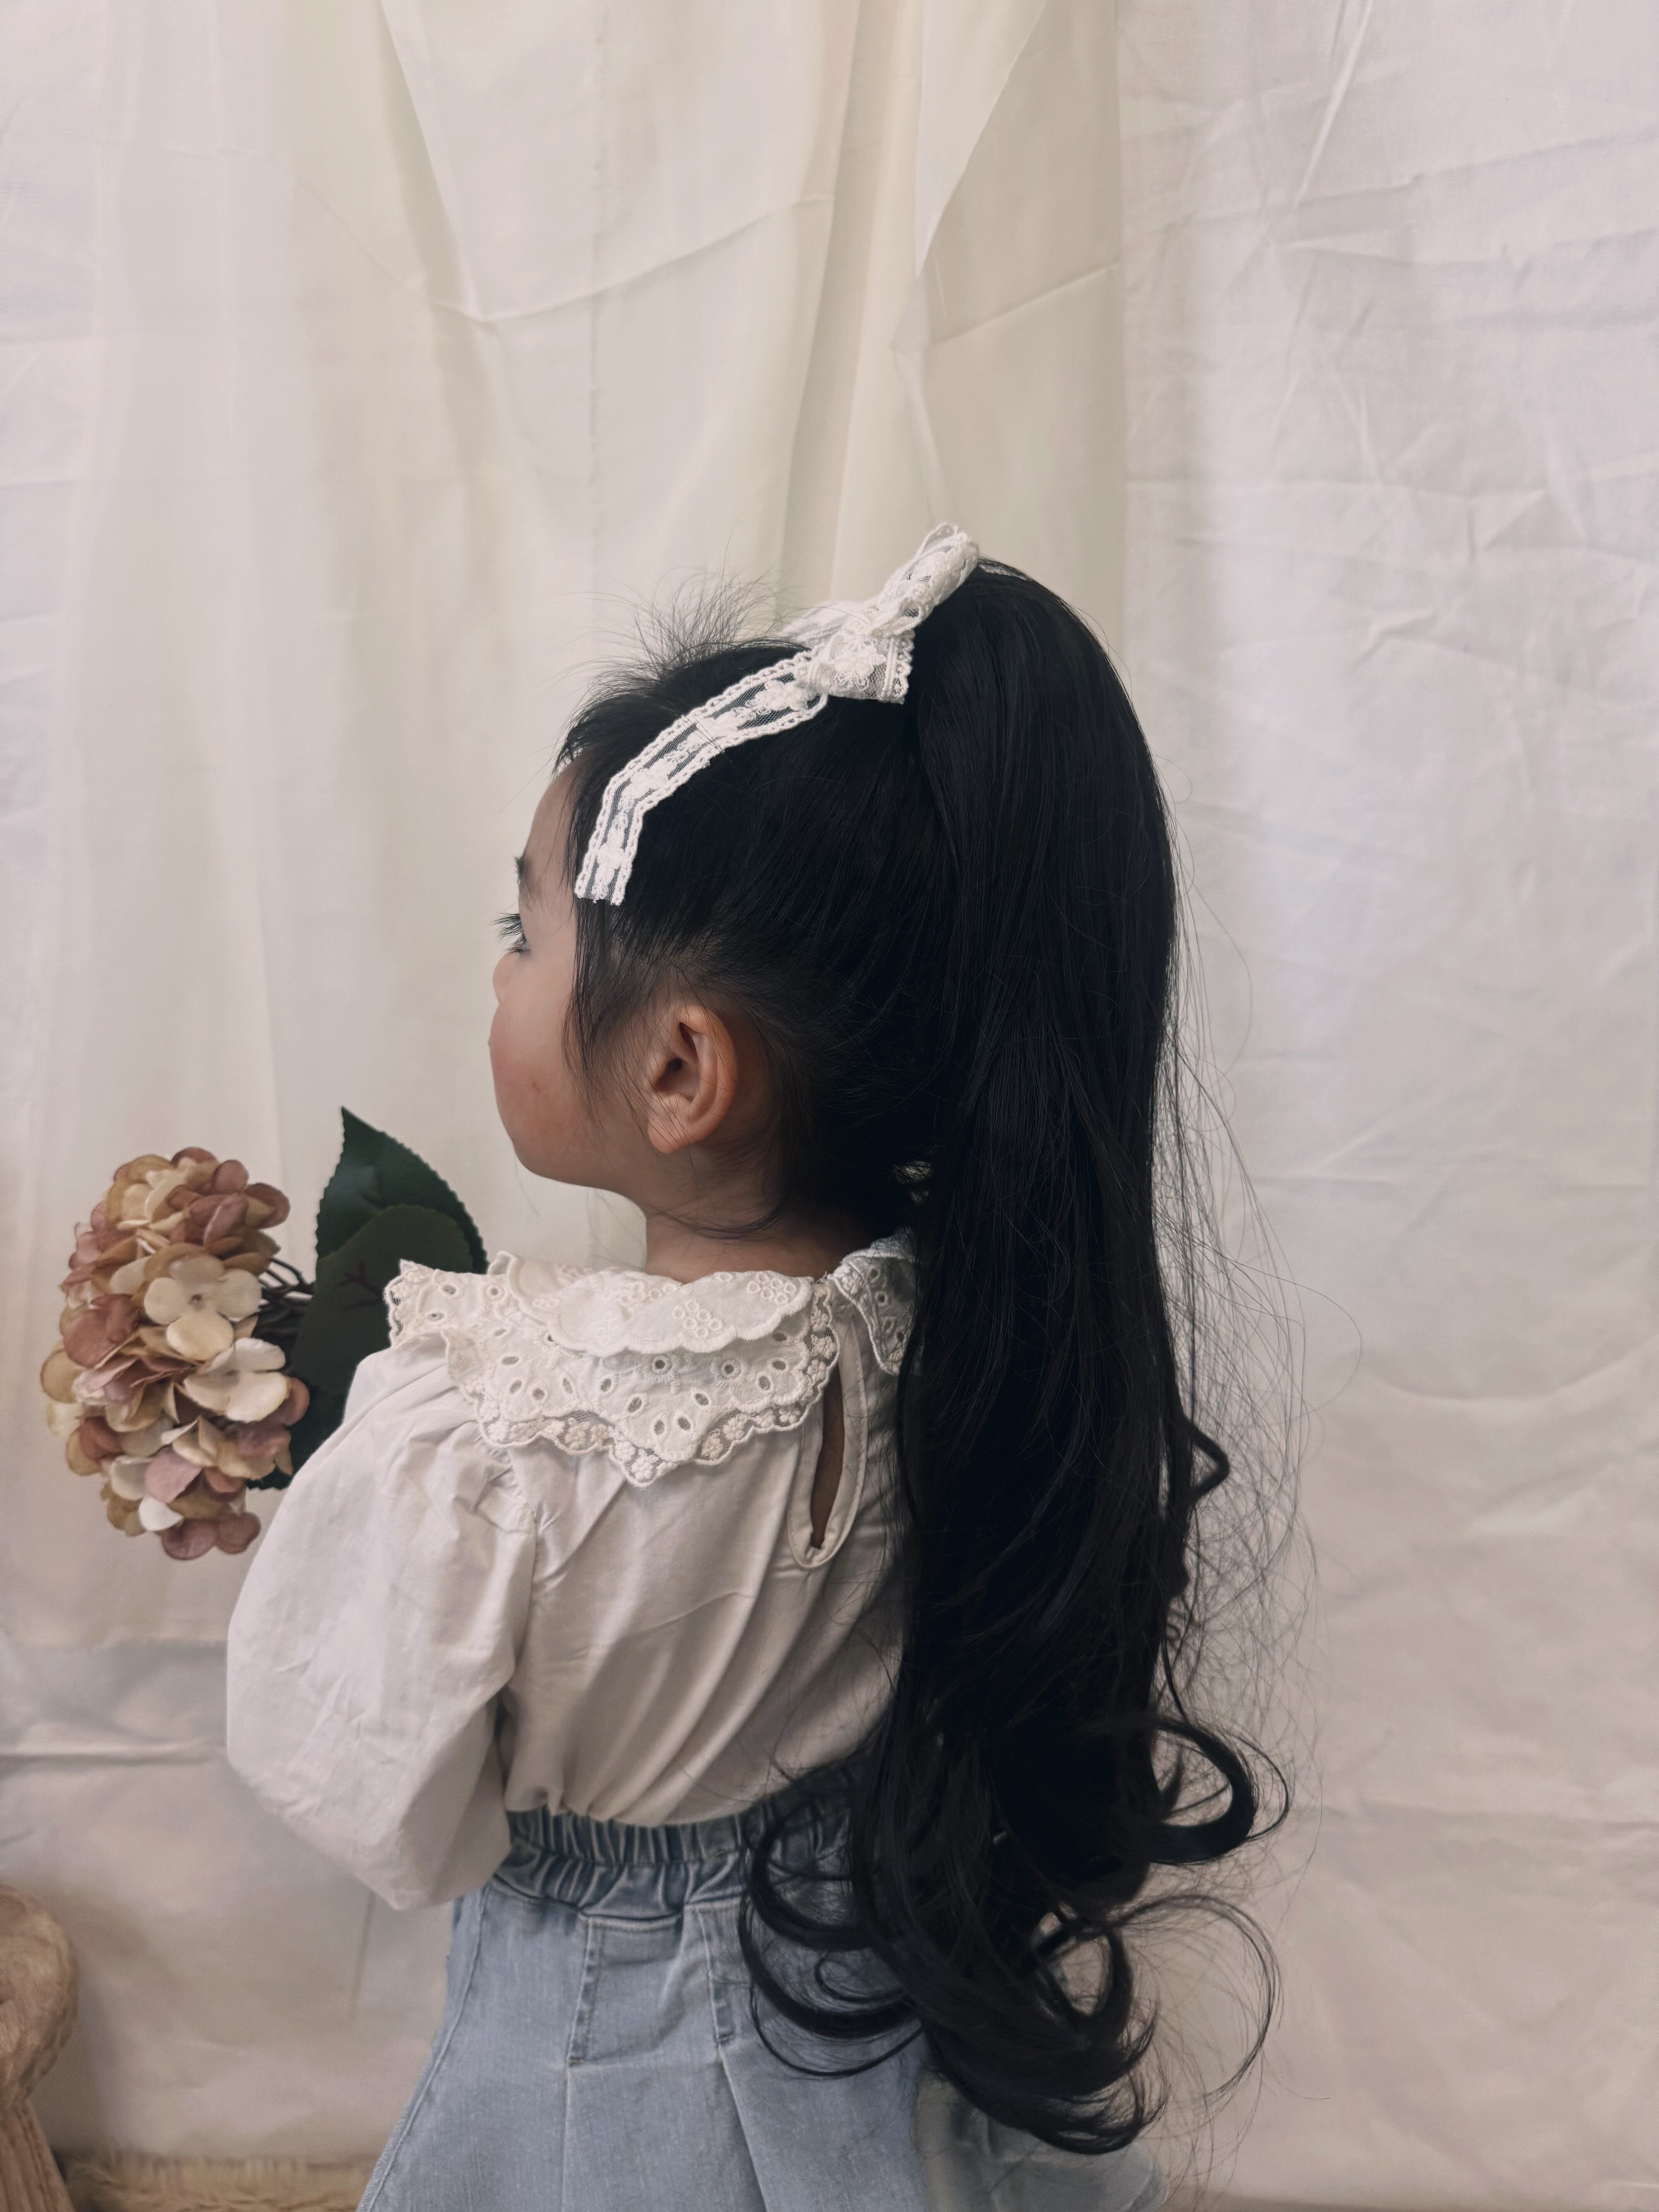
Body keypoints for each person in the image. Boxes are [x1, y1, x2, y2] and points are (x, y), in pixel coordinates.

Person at [225, 526, 1280, 2210]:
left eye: (525, 929)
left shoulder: (500, 1426)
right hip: (871, 1997)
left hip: (600, 2063)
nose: (499, 970)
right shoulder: (959, 1329)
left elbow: (365, 1795)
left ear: (679, 1069)